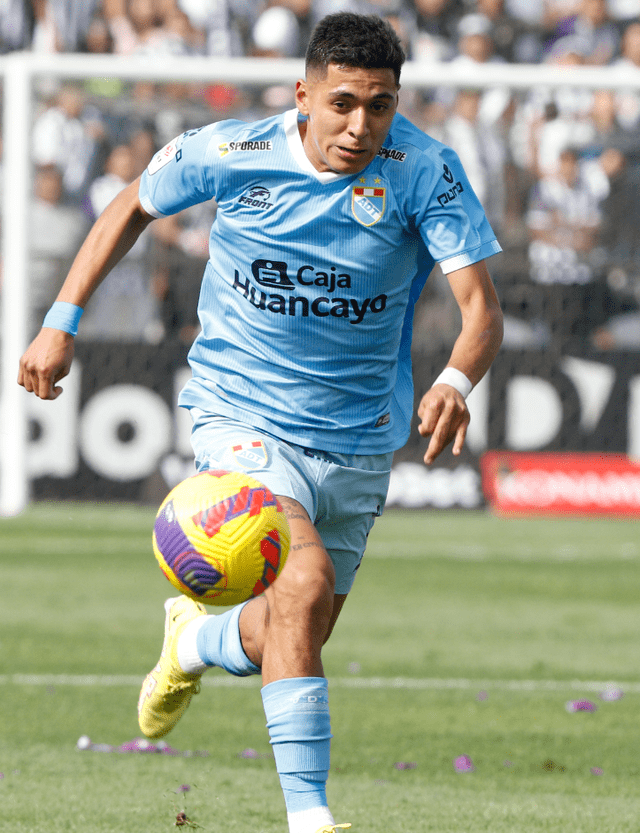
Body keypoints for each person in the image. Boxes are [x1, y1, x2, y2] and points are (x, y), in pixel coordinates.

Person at [18, 12, 503, 833]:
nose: (360, 126)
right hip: (239, 414)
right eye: (343, 103)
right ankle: (309, 819)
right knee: (301, 584)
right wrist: (61, 320)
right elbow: (130, 205)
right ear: (303, 94)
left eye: (380, 106)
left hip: (356, 439)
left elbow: (480, 309)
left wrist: (457, 375)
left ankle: (194, 644)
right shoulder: (233, 152)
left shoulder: (426, 170)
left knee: (292, 624)